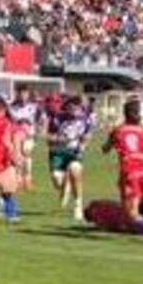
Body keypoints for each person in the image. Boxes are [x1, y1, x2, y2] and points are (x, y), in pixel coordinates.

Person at [99, 98, 143, 242]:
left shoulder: (118, 131)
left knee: (132, 213)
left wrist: (110, 141)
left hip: (130, 172)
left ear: (125, 114)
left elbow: (105, 149)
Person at [46, 94, 95, 222]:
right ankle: (65, 185)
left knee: (75, 169)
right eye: (71, 108)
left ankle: (78, 206)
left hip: (74, 151)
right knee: (57, 180)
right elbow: (47, 137)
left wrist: (84, 143)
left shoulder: (85, 119)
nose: (74, 111)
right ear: (66, 107)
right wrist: (59, 139)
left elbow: (88, 134)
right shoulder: (57, 119)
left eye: (77, 108)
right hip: (57, 152)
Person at [8, 85, 43, 192]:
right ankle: (18, 178)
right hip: (15, 137)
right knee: (17, 156)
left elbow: (42, 119)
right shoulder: (11, 107)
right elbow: (7, 122)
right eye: (21, 93)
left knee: (26, 151)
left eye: (25, 93)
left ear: (28, 94)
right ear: (17, 94)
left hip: (29, 136)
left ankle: (27, 177)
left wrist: (40, 130)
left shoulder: (34, 107)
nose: (23, 96)